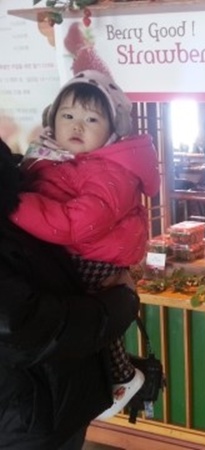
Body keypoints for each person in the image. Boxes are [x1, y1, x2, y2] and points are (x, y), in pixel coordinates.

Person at [9, 70, 160, 419]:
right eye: (67, 115)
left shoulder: (111, 171)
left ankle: (121, 377)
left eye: (91, 119)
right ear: (52, 119)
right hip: (77, 249)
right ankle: (118, 376)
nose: (77, 125)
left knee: (91, 320)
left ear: (112, 131)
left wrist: (15, 205)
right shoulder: (56, 157)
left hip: (93, 254)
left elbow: (78, 224)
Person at [0, 137, 141, 449]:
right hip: (25, 418)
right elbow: (24, 326)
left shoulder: (16, 180)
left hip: (57, 401)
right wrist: (119, 303)